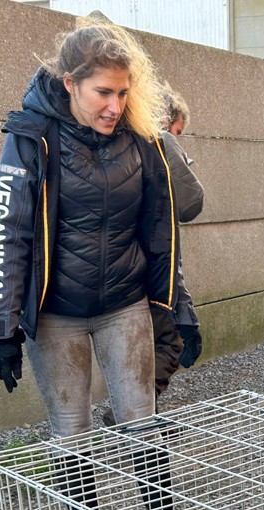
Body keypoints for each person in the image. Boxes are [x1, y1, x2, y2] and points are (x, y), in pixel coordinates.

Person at [0, 22, 191, 510]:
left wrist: (178, 306)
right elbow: (11, 232)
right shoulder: (31, 135)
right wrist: (1, 326)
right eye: (104, 92)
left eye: (124, 93)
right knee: (71, 437)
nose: (115, 105)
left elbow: (168, 224)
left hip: (125, 303)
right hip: (56, 316)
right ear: (71, 83)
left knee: (143, 424)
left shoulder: (141, 136)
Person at [102, 83, 204, 425]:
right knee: (170, 342)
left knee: (141, 347)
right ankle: (133, 414)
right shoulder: (157, 141)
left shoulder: (113, 144)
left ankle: (141, 412)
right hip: (149, 273)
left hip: (118, 270)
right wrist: (173, 152)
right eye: (177, 132)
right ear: (163, 120)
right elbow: (191, 204)